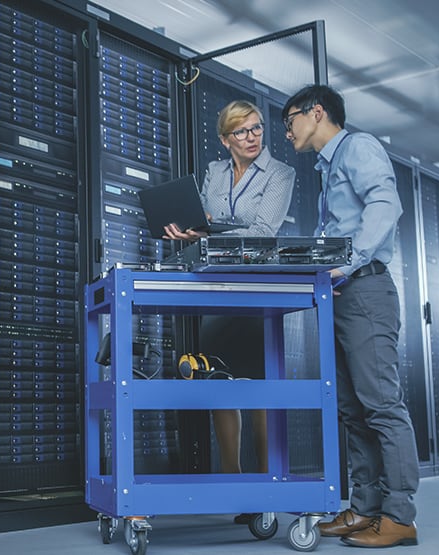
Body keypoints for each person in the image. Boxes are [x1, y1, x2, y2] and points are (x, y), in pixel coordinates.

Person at [281, 84, 419, 548]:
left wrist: (350, 260)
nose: (287, 132)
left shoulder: (358, 147)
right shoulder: (328, 168)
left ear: (316, 113)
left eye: (290, 121)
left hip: (366, 291)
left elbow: (385, 205)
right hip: (341, 294)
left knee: (382, 406)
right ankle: (365, 507)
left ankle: (400, 516)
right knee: (352, 409)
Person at [164, 100, 295, 521]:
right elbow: (200, 222)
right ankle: (233, 480)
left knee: (256, 388)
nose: (253, 137)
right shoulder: (215, 173)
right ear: (225, 139)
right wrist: (187, 231)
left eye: (256, 128)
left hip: (257, 290)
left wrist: (209, 228)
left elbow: (263, 232)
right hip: (216, 289)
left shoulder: (280, 173)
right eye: (242, 131)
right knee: (221, 383)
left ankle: (263, 486)